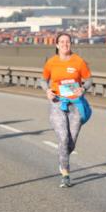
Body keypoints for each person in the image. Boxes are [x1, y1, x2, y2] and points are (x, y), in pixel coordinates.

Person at [42, 33, 92, 188]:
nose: (65, 44)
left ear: (71, 44)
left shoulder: (79, 61)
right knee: (63, 138)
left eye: (67, 42)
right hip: (58, 103)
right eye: (61, 42)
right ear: (57, 45)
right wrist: (47, 90)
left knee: (71, 141)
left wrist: (83, 89)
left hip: (76, 104)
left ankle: (62, 157)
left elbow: (89, 79)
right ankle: (65, 173)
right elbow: (43, 79)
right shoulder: (51, 62)